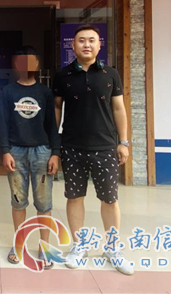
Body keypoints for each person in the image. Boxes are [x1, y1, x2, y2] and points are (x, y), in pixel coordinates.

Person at [53, 25, 134, 276]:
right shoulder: (63, 75)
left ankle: (113, 249)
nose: (86, 45)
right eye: (81, 40)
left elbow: (119, 109)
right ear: (73, 45)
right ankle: (79, 246)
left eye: (91, 40)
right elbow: (56, 108)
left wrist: (123, 142)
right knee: (74, 197)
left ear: (99, 45)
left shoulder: (110, 74)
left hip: (105, 147)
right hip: (72, 146)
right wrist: (55, 144)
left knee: (109, 199)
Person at [0, 46, 60, 268]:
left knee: (44, 202)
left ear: (36, 65)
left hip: (42, 152)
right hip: (15, 152)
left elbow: (52, 124)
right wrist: (5, 150)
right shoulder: (8, 91)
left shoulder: (45, 92)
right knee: (18, 201)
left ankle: (44, 247)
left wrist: (55, 153)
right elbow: (3, 123)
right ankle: (19, 245)